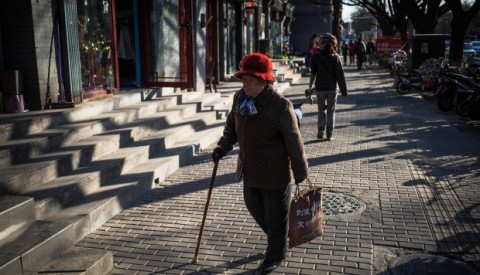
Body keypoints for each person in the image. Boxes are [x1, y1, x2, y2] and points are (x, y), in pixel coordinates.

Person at [211, 53, 309, 274]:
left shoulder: (280, 106)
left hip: (275, 175)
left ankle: (275, 255)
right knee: (255, 208)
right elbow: (231, 129)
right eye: (243, 79)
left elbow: (294, 141)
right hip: (250, 170)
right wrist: (222, 147)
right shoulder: (240, 98)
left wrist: (300, 171)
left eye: (250, 80)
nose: (245, 84)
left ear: (264, 80)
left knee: (275, 218)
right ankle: (279, 238)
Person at [309, 33, 348, 141]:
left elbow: (313, 73)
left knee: (321, 109)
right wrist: (344, 90)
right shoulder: (335, 58)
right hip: (332, 88)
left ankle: (321, 128)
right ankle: (329, 133)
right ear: (334, 44)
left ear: (321, 44)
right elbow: (340, 75)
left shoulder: (316, 57)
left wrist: (310, 87)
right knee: (331, 111)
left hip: (320, 88)